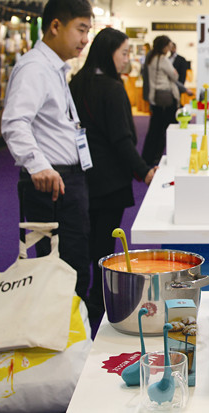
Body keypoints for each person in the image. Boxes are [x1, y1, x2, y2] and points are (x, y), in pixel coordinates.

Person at [1, 0, 94, 301]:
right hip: (52, 182)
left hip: (69, 179)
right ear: (55, 26)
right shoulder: (35, 68)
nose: (85, 39)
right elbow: (15, 122)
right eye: (80, 29)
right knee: (62, 269)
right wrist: (38, 164)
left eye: (87, 31)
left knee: (73, 263)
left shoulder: (54, 68)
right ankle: (60, 327)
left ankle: (70, 326)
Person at [69, 27, 157, 320]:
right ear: (109, 53)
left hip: (83, 174)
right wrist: (143, 170)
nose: (126, 59)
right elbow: (121, 138)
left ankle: (81, 298)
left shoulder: (77, 82)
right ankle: (99, 299)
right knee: (104, 244)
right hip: (110, 179)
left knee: (86, 239)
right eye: (124, 52)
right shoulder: (111, 87)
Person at [141, 35, 179, 166]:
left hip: (156, 99)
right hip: (166, 99)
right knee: (167, 129)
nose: (169, 48)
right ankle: (158, 156)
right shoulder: (163, 60)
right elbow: (174, 76)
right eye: (168, 45)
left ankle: (148, 157)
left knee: (154, 129)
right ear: (164, 46)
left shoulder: (151, 59)